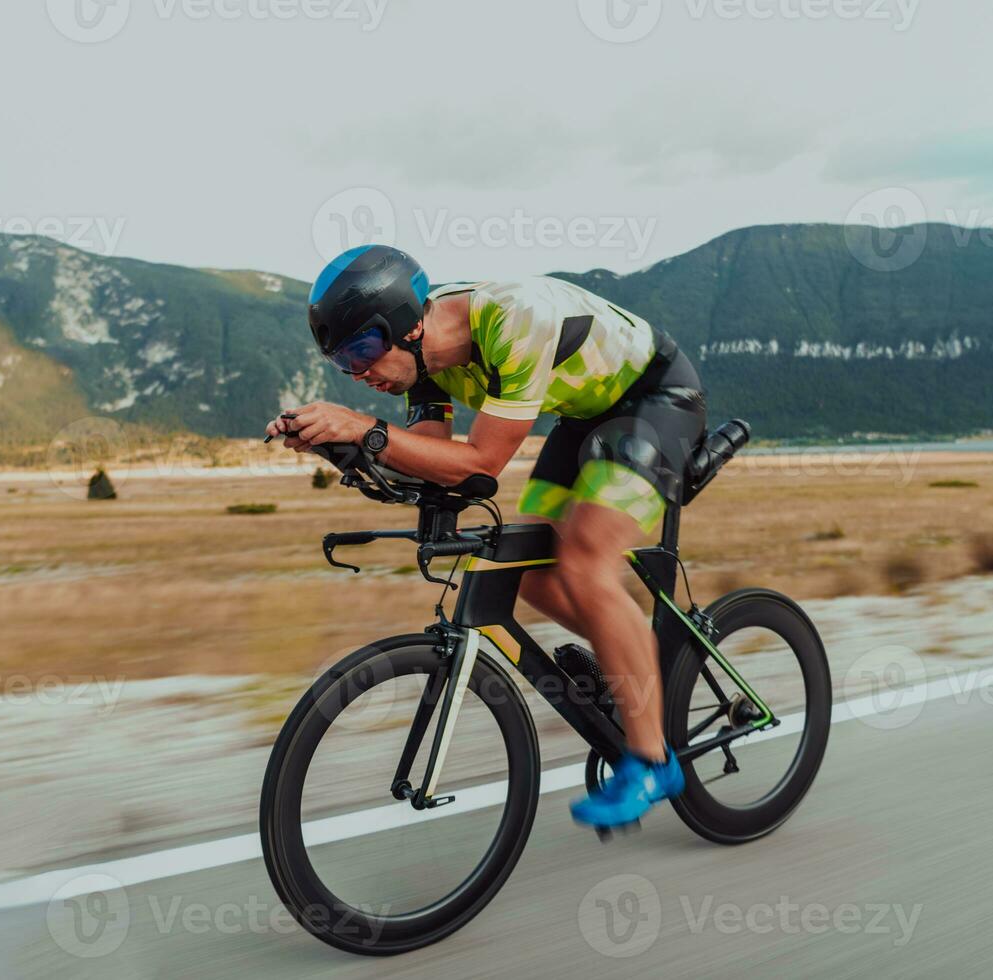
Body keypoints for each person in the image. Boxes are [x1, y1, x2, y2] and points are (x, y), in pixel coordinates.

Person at [266, 244, 707, 830]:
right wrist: (339, 443)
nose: (357, 372)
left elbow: (478, 466)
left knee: (584, 562)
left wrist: (364, 426)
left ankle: (653, 761)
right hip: (583, 417)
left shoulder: (513, 320)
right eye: (341, 361)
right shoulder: (421, 362)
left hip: (655, 399)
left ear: (410, 326)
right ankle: (630, 656)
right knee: (526, 567)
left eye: (362, 349)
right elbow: (428, 457)